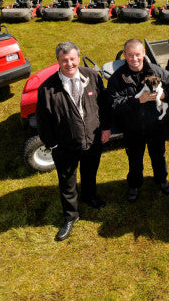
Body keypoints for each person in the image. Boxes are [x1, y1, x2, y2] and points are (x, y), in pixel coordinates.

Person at [36, 41, 111, 241]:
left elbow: (103, 105)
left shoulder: (93, 76)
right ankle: (71, 216)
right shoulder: (47, 90)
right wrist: (53, 144)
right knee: (67, 182)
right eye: (64, 60)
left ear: (78, 58)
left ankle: (90, 196)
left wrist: (105, 128)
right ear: (58, 61)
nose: (69, 64)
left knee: (90, 171)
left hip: (92, 139)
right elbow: (43, 122)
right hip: (65, 147)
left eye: (72, 59)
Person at [106, 39, 169, 202]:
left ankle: (161, 180)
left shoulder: (157, 71)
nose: (134, 59)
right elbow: (114, 104)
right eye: (130, 55)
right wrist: (137, 100)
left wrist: (164, 95)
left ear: (144, 53)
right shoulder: (118, 78)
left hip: (155, 126)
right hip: (132, 128)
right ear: (124, 55)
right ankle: (134, 185)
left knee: (159, 156)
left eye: (137, 54)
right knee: (134, 159)